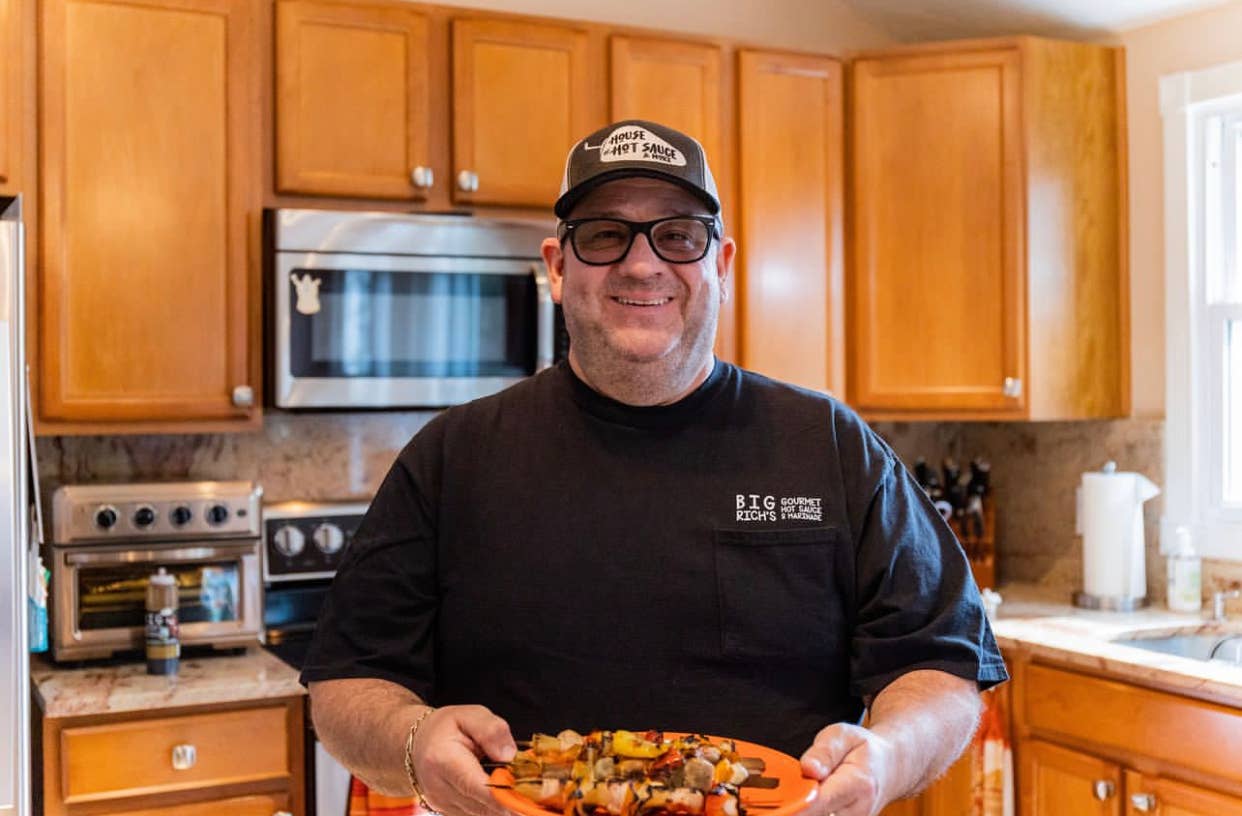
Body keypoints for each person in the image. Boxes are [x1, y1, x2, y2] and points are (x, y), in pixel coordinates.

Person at [301, 119, 1008, 816]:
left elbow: (940, 664)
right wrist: (413, 741)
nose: (642, 265)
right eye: (604, 235)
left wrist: (887, 754)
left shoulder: (830, 445)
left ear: (721, 266)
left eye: (678, 235)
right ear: (557, 267)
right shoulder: (453, 455)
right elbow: (347, 682)